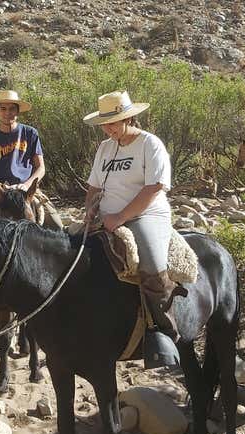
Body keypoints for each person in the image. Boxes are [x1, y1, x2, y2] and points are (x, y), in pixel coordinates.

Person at [83, 90, 182, 368]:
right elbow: (94, 187)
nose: (108, 128)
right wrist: (90, 209)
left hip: (146, 215)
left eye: (113, 122)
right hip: (106, 217)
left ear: (130, 118)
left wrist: (121, 216)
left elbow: (154, 187)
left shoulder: (150, 144)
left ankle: (164, 332)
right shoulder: (105, 148)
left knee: (151, 263)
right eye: (105, 123)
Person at [0, 90, 62, 229]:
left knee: (56, 225)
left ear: (18, 111)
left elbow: (40, 167)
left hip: (26, 189)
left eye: (12, 108)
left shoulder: (30, 133)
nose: (8, 113)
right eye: (3, 109)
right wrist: (0, 186)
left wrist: (27, 185)